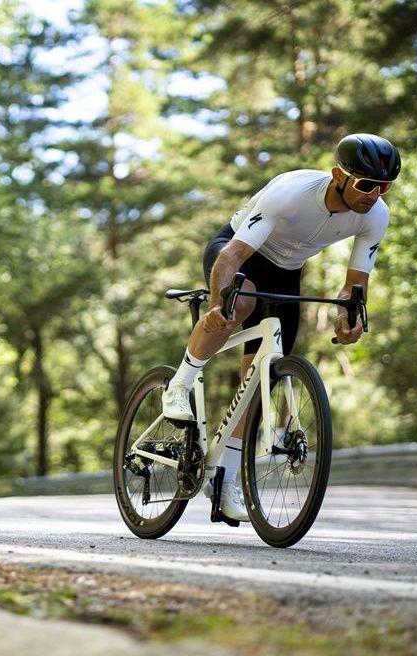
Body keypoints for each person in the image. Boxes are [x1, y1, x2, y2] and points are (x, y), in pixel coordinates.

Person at [162, 133, 401, 523]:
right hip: (240, 252)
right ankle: (180, 383)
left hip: (287, 272)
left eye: (384, 186)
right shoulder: (291, 192)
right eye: (366, 184)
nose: (375, 194)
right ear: (337, 176)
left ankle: (227, 478)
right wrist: (222, 300)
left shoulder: (376, 216)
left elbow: (355, 284)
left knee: (260, 378)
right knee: (240, 304)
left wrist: (348, 317)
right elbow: (233, 254)